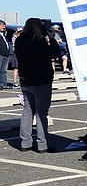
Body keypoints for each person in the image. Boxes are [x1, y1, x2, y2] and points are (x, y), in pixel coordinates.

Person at [15, 18, 60, 152]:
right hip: (41, 80)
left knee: (27, 111)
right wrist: (51, 39)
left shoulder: (19, 40)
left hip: (25, 79)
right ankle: (42, 144)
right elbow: (54, 54)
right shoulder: (39, 42)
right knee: (41, 113)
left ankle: (25, 142)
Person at [0, 20, 10, 89]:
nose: (4, 27)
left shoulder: (4, 35)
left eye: (4, 25)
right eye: (2, 25)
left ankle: (3, 83)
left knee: (3, 70)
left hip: (6, 55)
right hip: (0, 54)